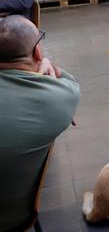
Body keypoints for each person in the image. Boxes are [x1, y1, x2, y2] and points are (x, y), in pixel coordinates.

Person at [0, 15, 80, 231]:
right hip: (11, 219)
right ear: (37, 51)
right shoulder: (58, 98)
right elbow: (70, 84)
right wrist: (48, 64)